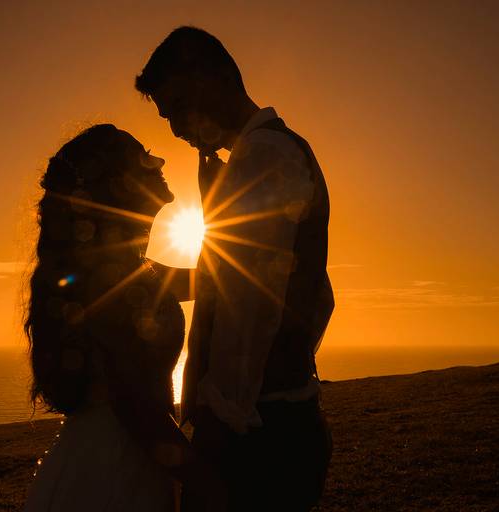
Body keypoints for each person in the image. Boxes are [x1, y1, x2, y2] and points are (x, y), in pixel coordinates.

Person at [136, 27, 335, 511]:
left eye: (179, 106)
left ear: (215, 80)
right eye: (167, 115)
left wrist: (220, 425)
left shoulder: (264, 157)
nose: (176, 129)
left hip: (259, 435)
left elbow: (248, 310)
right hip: (281, 417)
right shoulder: (255, 157)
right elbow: (312, 291)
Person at [23, 124, 225, 511]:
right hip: (113, 473)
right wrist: (208, 484)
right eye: (144, 159)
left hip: (109, 457)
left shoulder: (131, 269)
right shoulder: (105, 279)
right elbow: (135, 406)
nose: (159, 163)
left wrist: (219, 195)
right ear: (119, 184)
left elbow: (209, 280)